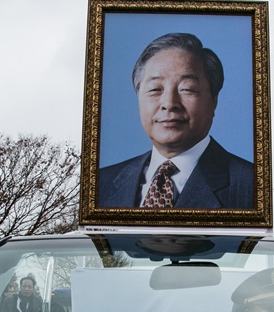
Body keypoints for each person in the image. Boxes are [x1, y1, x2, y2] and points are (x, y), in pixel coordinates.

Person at [97, 33, 254, 209]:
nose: (169, 104)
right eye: (155, 89)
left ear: (213, 99)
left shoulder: (251, 186)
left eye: (186, 89)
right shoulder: (101, 183)